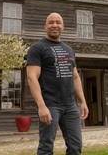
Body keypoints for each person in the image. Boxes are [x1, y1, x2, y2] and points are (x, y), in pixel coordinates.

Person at [26, 12, 89, 155]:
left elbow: (75, 77)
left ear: (63, 26)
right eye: (51, 22)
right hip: (50, 104)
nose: (55, 25)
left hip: (70, 106)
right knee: (46, 146)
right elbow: (32, 77)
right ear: (45, 26)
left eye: (58, 22)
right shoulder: (37, 48)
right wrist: (41, 106)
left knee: (75, 146)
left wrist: (83, 101)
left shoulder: (69, 50)